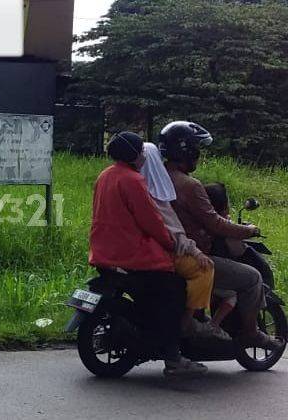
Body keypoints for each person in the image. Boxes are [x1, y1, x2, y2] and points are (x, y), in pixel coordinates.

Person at [90, 131, 207, 377]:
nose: (144, 155)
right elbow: (151, 220)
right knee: (174, 291)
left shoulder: (105, 176)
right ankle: (173, 357)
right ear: (133, 155)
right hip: (133, 254)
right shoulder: (133, 180)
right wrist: (168, 243)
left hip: (103, 251)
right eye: (141, 151)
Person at [160, 121, 283, 351]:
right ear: (187, 151)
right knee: (253, 278)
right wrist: (248, 230)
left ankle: (204, 323)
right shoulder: (189, 185)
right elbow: (215, 223)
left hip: (166, 249)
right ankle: (250, 333)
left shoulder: (160, 177)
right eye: (196, 150)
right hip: (191, 254)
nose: (198, 155)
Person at [139, 143, 229, 340]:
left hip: (128, 251)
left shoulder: (124, 182)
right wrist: (193, 250)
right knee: (205, 269)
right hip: (160, 253)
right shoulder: (161, 192)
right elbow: (170, 230)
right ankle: (187, 324)